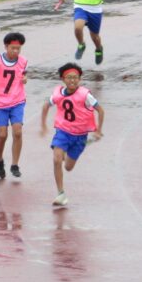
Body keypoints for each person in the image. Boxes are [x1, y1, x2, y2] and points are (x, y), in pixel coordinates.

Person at [40, 63, 104, 209]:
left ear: (80, 79)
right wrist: (43, 125)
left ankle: (81, 145)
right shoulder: (57, 93)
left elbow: (100, 111)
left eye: (75, 78)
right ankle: (61, 194)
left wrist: (98, 129)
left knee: (68, 167)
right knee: (56, 159)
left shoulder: (85, 95)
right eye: (69, 77)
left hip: (80, 135)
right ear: (63, 79)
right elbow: (45, 105)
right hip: (63, 131)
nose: (72, 81)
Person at [0, 32, 28, 180]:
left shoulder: (23, 61)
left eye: (18, 49)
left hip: (17, 100)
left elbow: (24, 74)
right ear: (6, 46)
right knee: (2, 134)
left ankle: (15, 165)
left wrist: (25, 78)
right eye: (13, 48)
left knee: (18, 132)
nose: (15, 51)